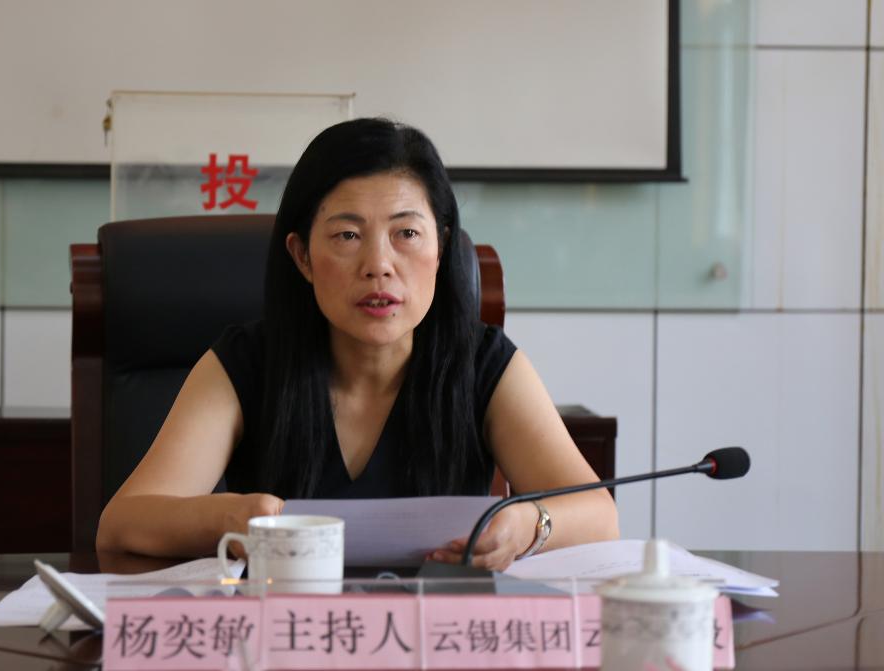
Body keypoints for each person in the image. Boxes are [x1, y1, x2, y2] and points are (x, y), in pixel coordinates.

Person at [96, 118, 618, 570]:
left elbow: (600, 516)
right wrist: (229, 518)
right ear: (302, 256)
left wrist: (528, 525)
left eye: (406, 234)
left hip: (434, 637)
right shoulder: (246, 363)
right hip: (287, 635)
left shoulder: (482, 364)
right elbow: (121, 524)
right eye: (347, 235)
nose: (379, 265)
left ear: (440, 248)